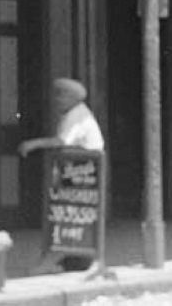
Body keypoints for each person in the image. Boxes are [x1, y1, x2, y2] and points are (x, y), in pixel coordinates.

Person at [18, 77, 103, 273]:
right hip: (78, 171)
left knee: (64, 216)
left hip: (81, 173)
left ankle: (50, 261)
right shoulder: (73, 114)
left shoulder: (77, 115)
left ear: (72, 98)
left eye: (61, 96)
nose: (57, 100)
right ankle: (68, 260)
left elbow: (62, 141)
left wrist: (33, 144)